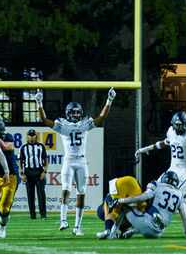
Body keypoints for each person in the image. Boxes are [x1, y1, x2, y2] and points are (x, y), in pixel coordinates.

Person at [36, 87, 116, 235]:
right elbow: (45, 121)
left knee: (81, 193)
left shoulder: (84, 124)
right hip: (68, 161)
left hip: (81, 162)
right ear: (67, 113)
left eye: (78, 112)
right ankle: (63, 220)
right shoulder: (62, 125)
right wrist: (39, 103)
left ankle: (77, 227)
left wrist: (109, 100)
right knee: (65, 190)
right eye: (73, 112)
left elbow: (101, 117)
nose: (76, 114)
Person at [134, 110, 186, 228]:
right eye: (177, 124)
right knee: (155, 189)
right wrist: (145, 149)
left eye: (181, 125)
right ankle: (155, 216)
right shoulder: (171, 131)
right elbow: (163, 143)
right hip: (172, 169)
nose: (178, 127)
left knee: (174, 193)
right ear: (173, 124)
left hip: (185, 170)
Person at [108, 171, 186, 239]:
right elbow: (185, 217)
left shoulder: (157, 185)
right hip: (158, 233)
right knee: (155, 215)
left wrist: (122, 200)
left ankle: (112, 234)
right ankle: (133, 231)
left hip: (146, 225)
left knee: (126, 206)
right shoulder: (180, 194)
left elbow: (142, 197)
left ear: (165, 178)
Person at [94, 174, 146, 239]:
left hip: (126, 194)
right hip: (130, 196)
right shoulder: (138, 197)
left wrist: (110, 230)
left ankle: (109, 230)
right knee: (104, 212)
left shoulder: (122, 189)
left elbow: (117, 212)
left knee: (112, 212)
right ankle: (113, 230)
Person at [20, 128, 48, 220]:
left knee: (41, 194)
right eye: (30, 135)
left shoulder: (41, 146)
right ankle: (32, 215)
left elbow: (45, 160)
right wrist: (22, 174)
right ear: (27, 136)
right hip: (28, 173)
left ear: (36, 136)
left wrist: (44, 171)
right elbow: (21, 161)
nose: (31, 137)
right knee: (30, 195)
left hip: (39, 172)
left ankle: (43, 214)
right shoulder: (24, 147)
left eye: (33, 135)